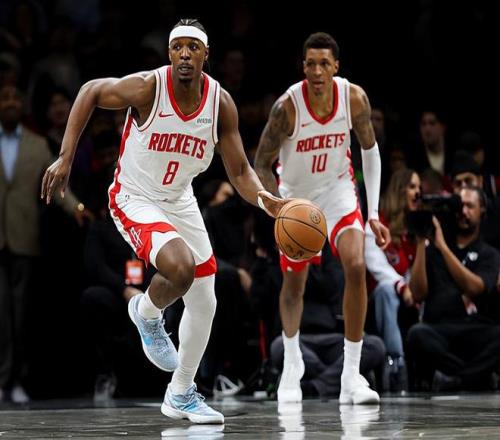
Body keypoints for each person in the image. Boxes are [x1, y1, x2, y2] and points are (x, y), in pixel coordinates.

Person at [41, 18, 285, 424]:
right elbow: (90, 91)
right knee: (181, 267)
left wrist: (265, 199)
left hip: (179, 199)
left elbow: (240, 170)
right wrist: (65, 157)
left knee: (205, 299)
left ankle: (181, 393)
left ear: (206, 55)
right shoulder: (148, 88)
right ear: (170, 53)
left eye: (193, 47)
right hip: (134, 197)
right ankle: (147, 311)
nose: (185, 54)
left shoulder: (220, 104)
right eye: (178, 47)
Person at [255, 32, 390, 404]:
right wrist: (277, 206)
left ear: (335, 67)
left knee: (356, 265)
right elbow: (261, 163)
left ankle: (351, 375)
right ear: (303, 67)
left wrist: (373, 213)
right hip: (296, 197)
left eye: (324, 64)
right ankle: (292, 363)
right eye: (311, 64)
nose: (317, 71)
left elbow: (370, 151)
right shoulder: (287, 107)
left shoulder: (353, 98)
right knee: (294, 284)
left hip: (337, 190)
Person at [0, 84, 89, 403]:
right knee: (1, 314)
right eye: (4, 98)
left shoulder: (37, 145)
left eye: (15, 97)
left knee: (22, 314)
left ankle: (17, 380)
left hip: (23, 237)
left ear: (22, 105)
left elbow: (56, 179)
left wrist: (77, 207)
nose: (10, 103)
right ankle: (2, 379)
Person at [407, 186, 500, 391]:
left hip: (474, 330)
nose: (463, 212)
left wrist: (443, 248)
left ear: (482, 210)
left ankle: (457, 379)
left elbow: (476, 288)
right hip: (439, 330)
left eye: (470, 206)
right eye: (460, 206)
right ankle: (474, 377)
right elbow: (417, 293)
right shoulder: (434, 247)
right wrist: (421, 242)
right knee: (416, 334)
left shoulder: (489, 254)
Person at [365, 168, 421, 392]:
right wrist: (401, 285)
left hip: (409, 302)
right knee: (386, 290)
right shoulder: (377, 223)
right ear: (399, 190)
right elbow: (375, 265)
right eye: (412, 187)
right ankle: (396, 363)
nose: (418, 193)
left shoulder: (417, 229)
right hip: (377, 303)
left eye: (419, 188)